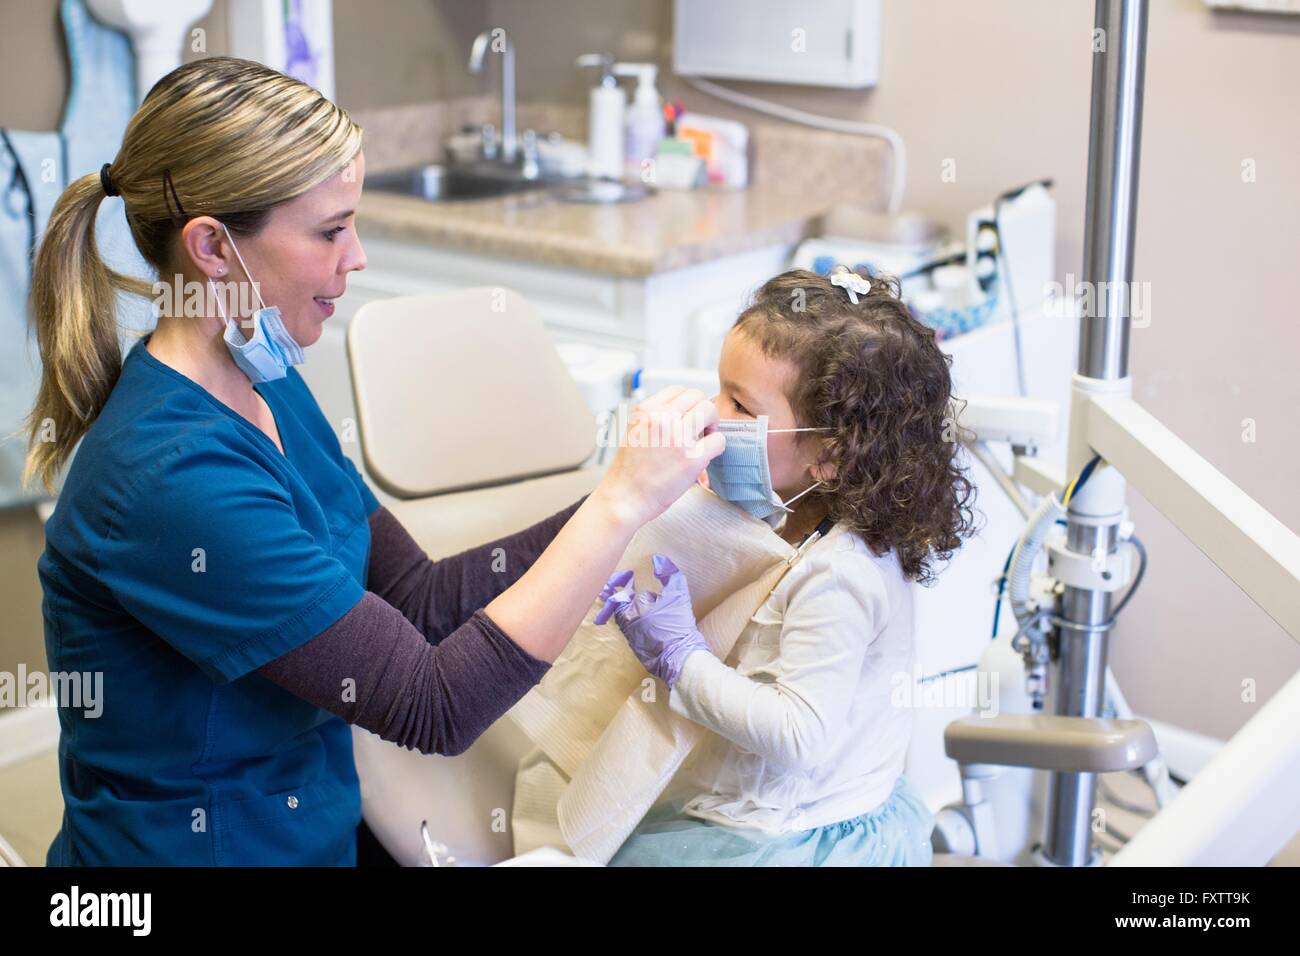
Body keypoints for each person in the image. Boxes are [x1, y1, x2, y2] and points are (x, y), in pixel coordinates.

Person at [24, 56, 721, 866]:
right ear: (212, 247)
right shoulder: (171, 481)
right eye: (329, 231)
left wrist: (634, 486)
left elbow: (420, 600)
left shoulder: (266, 382)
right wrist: (618, 510)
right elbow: (435, 704)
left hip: (315, 831)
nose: (357, 259)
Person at [601, 267, 978, 866]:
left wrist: (679, 657)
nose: (712, 414)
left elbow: (800, 735)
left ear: (828, 455)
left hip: (791, 841)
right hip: (776, 812)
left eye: (740, 404)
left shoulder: (842, 572)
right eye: (719, 389)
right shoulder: (791, 513)